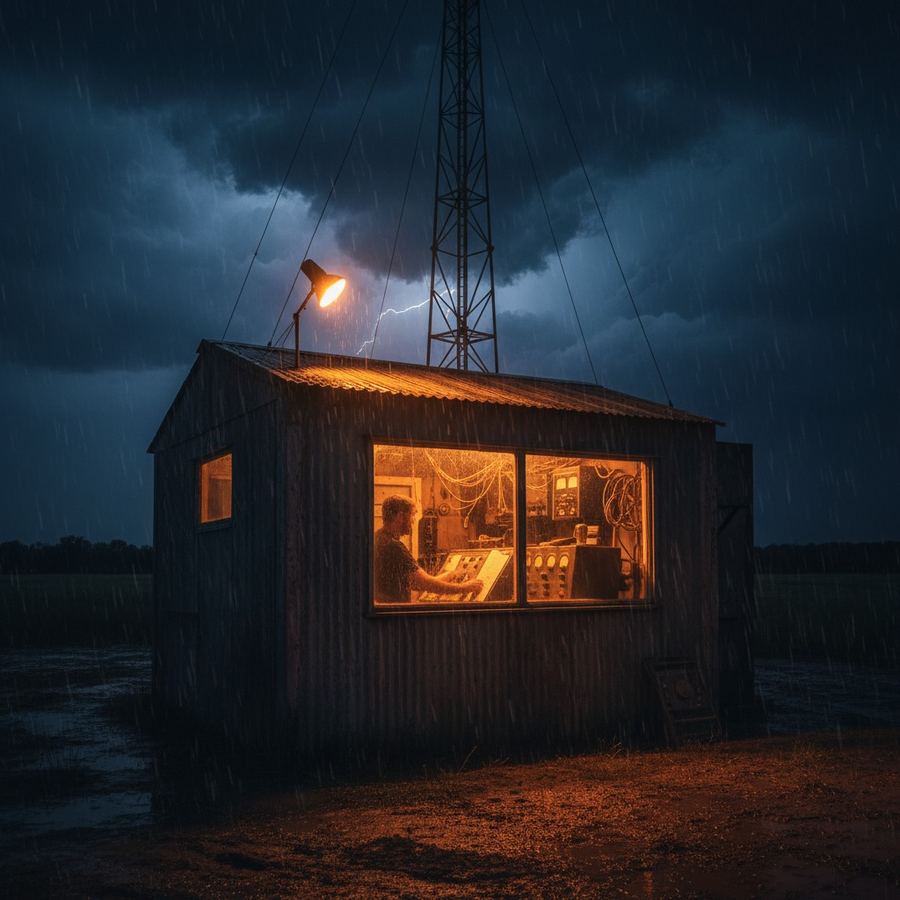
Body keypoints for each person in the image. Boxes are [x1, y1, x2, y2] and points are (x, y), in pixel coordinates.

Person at [374, 495, 483, 603]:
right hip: (395, 615)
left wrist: (449, 575)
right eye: (412, 515)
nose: (413, 521)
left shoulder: (377, 538)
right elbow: (425, 584)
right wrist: (465, 588)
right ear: (400, 516)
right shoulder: (394, 547)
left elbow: (416, 584)